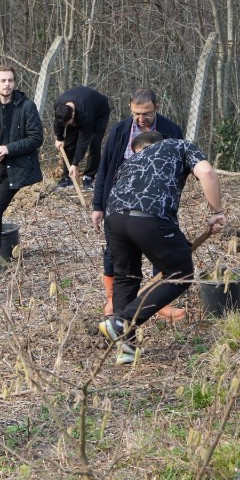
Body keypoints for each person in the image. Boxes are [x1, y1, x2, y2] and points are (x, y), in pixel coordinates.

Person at [94, 131, 223, 363]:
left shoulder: (131, 160)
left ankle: (126, 348)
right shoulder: (181, 146)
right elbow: (206, 172)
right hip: (149, 217)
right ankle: (121, 321)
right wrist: (216, 212)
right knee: (181, 274)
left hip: (114, 218)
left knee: (126, 277)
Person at [91, 89, 185, 320]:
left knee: (159, 251)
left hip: (156, 204)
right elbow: (105, 168)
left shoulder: (171, 131)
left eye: (146, 114)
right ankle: (113, 300)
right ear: (130, 108)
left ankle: (158, 301)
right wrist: (97, 205)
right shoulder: (120, 131)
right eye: (136, 114)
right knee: (115, 253)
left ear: (157, 107)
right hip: (119, 202)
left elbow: (178, 170)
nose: (141, 119)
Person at [0, 64, 43, 282]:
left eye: (10, 80)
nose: (7, 84)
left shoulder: (26, 107)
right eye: (3, 81)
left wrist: (8, 148)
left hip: (15, 172)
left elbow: (35, 138)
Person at [52, 85, 111, 190]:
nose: (66, 126)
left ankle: (88, 176)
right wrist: (59, 138)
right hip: (80, 106)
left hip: (99, 112)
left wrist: (75, 163)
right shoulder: (59, 105)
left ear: (73, 115)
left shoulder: (85, 114)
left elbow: (83, 141)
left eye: (68, 124)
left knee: (94, 143)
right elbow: (58, 123)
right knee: (69, 142)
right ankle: (66, 178)